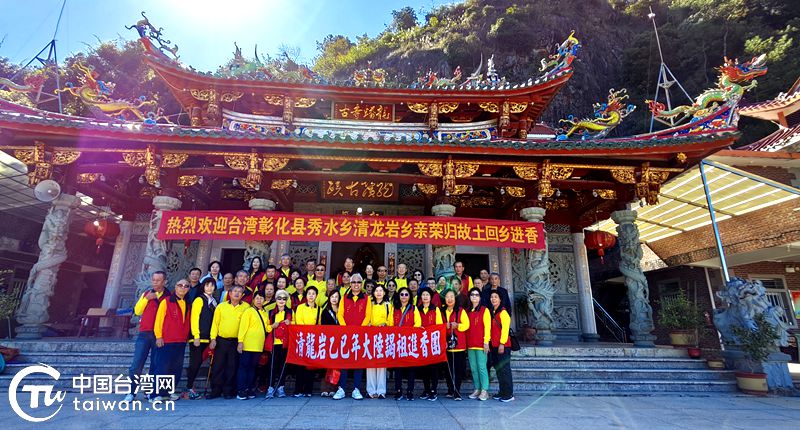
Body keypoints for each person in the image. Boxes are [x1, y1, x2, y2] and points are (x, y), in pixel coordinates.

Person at [124, 271, 170, 402]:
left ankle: (150, 391)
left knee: (155, 365)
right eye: (154, 280)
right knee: (137, 364)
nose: (155, 282)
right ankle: (131, 392)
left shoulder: (169, 297)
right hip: (144, 334)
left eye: (158, 280)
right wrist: (146, 299)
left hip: (159, 335)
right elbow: (137, 311)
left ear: (165, 282)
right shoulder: (146, 294)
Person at [150, 279, 191, 403]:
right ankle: (155, 394)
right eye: (180, 285)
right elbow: (159, 320)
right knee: (162, 368)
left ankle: (167, 392)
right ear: (175, 287)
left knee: (175, 368)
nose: (183, 288)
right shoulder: (166, 301)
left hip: (181, 341)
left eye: (186, 286)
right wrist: (158, 336)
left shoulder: (188, 303)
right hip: (166, 340)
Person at [208, 285, 250, 399]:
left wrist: (241, 341)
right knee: (218, 366)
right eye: (234, 291)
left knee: (232, 366)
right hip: (221, 340)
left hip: (236, 341)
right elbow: (215, 323)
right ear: (230, 293)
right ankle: (216, 390)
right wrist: (213, 338)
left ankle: (228, 391)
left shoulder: (246, 307)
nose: (237, 293)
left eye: (239, 292)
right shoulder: (221, 307)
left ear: (242, 295)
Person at [334, 273, 372, 400]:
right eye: (354, 282)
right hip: (346, 335)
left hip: (360, 335)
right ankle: (341, 389)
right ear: (350, 284)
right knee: (344, 362)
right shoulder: (344, 298)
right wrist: (346, 329)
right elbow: (340, 314)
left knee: (358, 362)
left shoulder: (366, 298)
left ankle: (356, 389)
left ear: (362, 284)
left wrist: (360, 329)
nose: (356, 284)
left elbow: (368, 315)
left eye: (358, 282)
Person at [186, 278, 218, 400]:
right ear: (203, 287)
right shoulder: (199, 300)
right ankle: (189, 387)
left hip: (209, 338)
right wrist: (196, 335)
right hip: (198, 338)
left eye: (212, 286)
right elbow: (194, 318)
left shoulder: (214, 301)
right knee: (195, 362)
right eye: (207, 285)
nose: (209, 288)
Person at [236, 290, 270, 400]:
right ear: (253, 300)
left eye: (261, 298)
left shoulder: (265, 313)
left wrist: (275, 325)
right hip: (247, 344)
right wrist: (240, 342)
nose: (259, 300)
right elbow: (243, 327)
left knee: (252, 368)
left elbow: (267, 328)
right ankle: (241, 390)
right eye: (257, 298)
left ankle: (249, 388)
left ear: (264, 300)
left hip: (258, 345)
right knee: (244, 367)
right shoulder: (249, 311)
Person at [391, 286, 421, 400]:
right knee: (398, 368)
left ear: (409, 296)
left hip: (410, 342)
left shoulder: (414, 308)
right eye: (402, 294)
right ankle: (398, 391)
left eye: (406, 294)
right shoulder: (394, 308)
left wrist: (409, 333)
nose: (404, 296)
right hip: (398, 342)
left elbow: (417, 323)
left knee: (411, 368)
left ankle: (410, 391)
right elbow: (390, 323)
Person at [293, 285, 320, 397]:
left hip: (313, 340)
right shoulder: (300, 307)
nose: (311, 296)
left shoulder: (319, 309)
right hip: (302, 339)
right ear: (306, 295)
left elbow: (319, 325)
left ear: (316, 296)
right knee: (300, 366)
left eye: (313, 294)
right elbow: (299, 322)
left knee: (311, 366)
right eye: (309, 294)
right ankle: (298, 390)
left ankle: (308, 390)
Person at [417, 287, 443, 401]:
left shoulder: (435, 309)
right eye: (423, 295)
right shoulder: (417, 309)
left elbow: (439, 325)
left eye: (427, 295)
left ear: (431, 297)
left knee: (433, 368)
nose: (425, 297)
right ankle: (426, 389)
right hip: (422, 342)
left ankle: (434, 390)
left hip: (433, 342)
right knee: (424, 368)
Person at [442, 289, 469, 401]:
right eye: (447, 297)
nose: (449, 299)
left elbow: (466, 325)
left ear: (455, 298)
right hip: (446, 346)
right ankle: (450, 390)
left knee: (458, 370)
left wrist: (458, 325)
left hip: (459, 346)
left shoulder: (460, 311)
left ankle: (457, 391)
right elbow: (438, 325)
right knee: (448, 370)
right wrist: (445, 326)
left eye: (452, 297)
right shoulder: (442, 311)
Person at [488, 290, 514, 402]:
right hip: (494, 345)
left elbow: (505, 330)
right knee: (499, 370)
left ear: (500, 299)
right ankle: (502, 391)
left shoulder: (503, 313)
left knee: (505, 370)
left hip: (503, 346)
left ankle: (508, 394)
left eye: (495, 297)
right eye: (492, 297)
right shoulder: (493, 312)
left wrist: (502, 343)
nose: (493, 299)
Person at [266, 289, 293, 399]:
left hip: (285, 343)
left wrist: (290, 323)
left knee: (283, 366)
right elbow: (266, 327)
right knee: (272, 366)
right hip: (274, 342)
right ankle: (270, 387)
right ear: (276, 299)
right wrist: (272, 326)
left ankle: (281, 387)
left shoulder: (290, 312)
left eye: (284, 298)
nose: (281, 301)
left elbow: (295, 325)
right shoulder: (271, 312)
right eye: (279, 298)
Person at [466, 287, 491, 401]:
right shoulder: (467, 311)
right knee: (473, 368)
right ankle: (477, 389)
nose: (474, 297)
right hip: (470, 344)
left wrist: (486, 342)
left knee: (482, 367)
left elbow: (487, 327)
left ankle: (485, 390)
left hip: (481, 344)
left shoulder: (485, 310)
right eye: (472, 295)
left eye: (476, 295)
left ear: (480, 297)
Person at [366, 284, 391, 399]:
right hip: (371, 335)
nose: (379, 292)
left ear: (384, 293)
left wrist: (385, 324)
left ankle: (381, 390)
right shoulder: (370, 304)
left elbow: (390, 320)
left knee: (381, 363)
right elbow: (366, 317)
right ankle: (371, 390)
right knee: (370, 362)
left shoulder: (388, 305)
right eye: (376, 290)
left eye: (381, 290)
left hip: (383, 336)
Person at [319, 290, 341, 397]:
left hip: (340, 340)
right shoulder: (325, 311)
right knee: (326, 364)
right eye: (332, 296)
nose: (334, 299)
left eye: (336, 297)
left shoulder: (341, 310)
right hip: (328, 340)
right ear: (329, 298)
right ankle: (325, 388)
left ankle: (334, 388)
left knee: (336, 365)